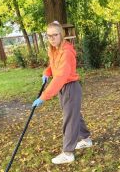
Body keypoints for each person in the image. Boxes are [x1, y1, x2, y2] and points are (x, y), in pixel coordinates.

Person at [32, 21, 92, 164]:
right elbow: (54, 66)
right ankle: (86, 139)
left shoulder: (66, 52)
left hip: (70, 87)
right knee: (74, 114)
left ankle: (68, 153)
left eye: (55, 35)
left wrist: (44, 96)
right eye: (49, 36)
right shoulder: (54, 49)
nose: (52, 38)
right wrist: (47, 72)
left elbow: (60, 77)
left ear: (62, 35)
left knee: (69, 119)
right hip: (64, 88)